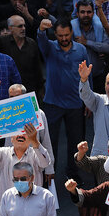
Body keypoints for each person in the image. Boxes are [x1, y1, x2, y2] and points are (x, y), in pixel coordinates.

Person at [37, 18, 89, 179]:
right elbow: (42, 40)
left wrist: (88, 99)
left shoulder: (81, 50)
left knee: (76, 142)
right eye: (60, 36)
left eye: (66, 35)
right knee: (49, 141)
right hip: (53, 103)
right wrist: (41, 30)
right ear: (56, 35)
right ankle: (48, 172)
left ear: (71, 33)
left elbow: (87, 76)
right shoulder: (50, 48)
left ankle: (73, 173)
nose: (64, 38)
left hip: (76, 103)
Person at [0, 83, 56, 185]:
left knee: (33, 196)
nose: (14, 100)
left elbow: (46, 141)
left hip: (33, 163)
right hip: (10, 163)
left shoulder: (38, 114)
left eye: (17, 97)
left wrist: (49, 168)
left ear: (25, 96)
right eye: (11, 97)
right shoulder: (5, 114)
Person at [0, 122, 50, 202]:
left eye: (24, 133)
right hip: (9, 206)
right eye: (17, 133)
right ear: (11, 138)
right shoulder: (3, 153)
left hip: (33, 205)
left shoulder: (36, 155)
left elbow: (45, 162)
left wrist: (35, 141)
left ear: (30, 138)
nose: (21, 136)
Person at [71, 0, 109, 89]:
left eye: (89, 12)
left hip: (98, 77)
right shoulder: (72, 30)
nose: (86, 15)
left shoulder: (98, 28)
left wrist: (87, 42)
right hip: (77, 79)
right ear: (77, 14)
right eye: (82, 12)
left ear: (93, 13)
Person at [0, 15, 43, 96]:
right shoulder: (2, 42)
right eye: (20, 26)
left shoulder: (32, 43)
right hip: (9, 90)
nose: (23, 28)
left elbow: (37, 68)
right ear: (10, 28)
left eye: (24, 25)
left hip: (29, 89)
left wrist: (40, 88)